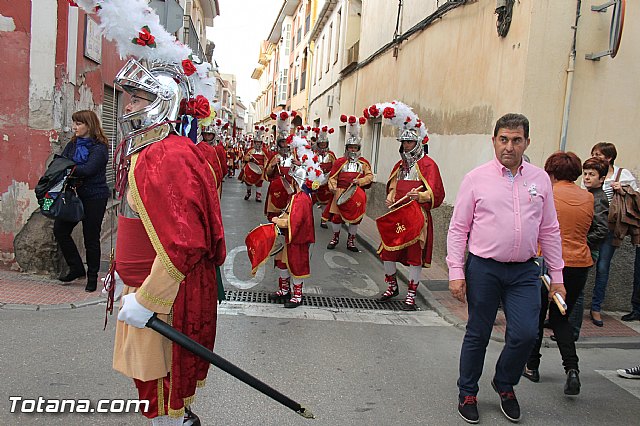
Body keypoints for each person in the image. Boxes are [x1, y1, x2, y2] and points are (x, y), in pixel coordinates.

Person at [112, 56, 225, 425]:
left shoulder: (166, 155)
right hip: (143, 281)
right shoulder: (152, 150)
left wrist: (147, 298)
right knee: (149, 382)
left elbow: (184, 242)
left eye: (138, 98)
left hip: (165, 291)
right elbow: (141, 223)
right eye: (130, 97)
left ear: (163, 101)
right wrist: (120, 275)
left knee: (160, 388)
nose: (128, 105)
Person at [447, 113, 566, 424]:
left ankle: (504, 382)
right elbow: (458, 229)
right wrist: (456, 273)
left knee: (526, 334)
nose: (509, 146)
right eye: (503, 139)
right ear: (494, 141)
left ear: (527, 142)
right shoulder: (476, 179)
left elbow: (550, 229)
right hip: (484, 268)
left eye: (516, 140)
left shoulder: (540, 179)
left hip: (525, 271)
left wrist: (558, 277)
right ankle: (467, 391)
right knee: (478, 332)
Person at [523, 152, 593, 396]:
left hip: (549, 263)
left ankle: (532, 365)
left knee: (537, 314)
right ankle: (571, 369)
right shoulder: (587, 197)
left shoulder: (549, 194)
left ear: (551, 172)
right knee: (561, 317)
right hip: (580, 263)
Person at [368, 101, 445, 311]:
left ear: (417, 143)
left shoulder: (429, 165)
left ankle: (411, 294)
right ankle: (392, 286)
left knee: (414, 257)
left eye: (409, 143)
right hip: (398, 215)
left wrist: (421, 196)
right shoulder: (399, 165)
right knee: (387, 252)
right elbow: (393, 185)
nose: (405, 146)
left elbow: (437, 194)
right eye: (403, 143)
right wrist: (391, 196)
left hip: (417, 217)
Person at [54, 110, 110, 292]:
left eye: (78, 124)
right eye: (74, 123)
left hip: (95, 196)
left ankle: (92, 276)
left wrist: (68, 168)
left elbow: (88, 170)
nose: (74, 127)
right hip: (73, 195)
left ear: (89, 125)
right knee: (60, 230)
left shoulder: (99, 147)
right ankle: (76, 267)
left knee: (90, 237)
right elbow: (61, 162)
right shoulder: (72, 144)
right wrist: (65, 167)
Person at [269, 135, 322, 308]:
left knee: (297, 266)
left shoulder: (301, 198)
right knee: (282, 262)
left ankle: (297, 295)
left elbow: (295, 221)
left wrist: (279, 220)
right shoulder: (298, 196)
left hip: (297, 239)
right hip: (289, 238)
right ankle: (284, 290)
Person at [589, 142, 638, 326]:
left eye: (598, 154)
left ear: (609, 157)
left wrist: (623, 189)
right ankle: (574, 306)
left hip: (610, 229)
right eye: (593, 153)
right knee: (582, 266)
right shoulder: (590, 172)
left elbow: (636, 198)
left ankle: (596, 307)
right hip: (592, 226)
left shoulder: (622, 174)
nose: (595, 156)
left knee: (603, 267)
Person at [564, 157, 609, 340]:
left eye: (592, 174)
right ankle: (563, 324)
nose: (587, 177)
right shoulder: (589, 194)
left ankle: (572, 330)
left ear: (602, 178)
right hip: (583, 247)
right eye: (585, 174)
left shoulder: (598, 198)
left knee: (578, 292)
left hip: (588, 249)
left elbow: (602, 229)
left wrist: (582, 240)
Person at [323, 115, 374, 252]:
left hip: (356, 194)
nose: (352, 150)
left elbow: (370, 176)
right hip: (340, 193)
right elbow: (332, 177)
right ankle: (335, 237)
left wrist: (360, 181)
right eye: (350, 147)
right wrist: (333, 188)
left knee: (355, 220)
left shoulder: (363, 163)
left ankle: (351, 241)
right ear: (347, 148)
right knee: (336, 218)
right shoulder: (340, 162)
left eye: (355, 147)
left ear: (358, 148)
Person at [264, 111, 297, 221]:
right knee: (274, 215)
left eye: (286, 142)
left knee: (290, 213)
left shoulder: (295, 156)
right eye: (282, 142)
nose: (285, 145)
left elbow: (301, 175)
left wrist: (299, 165)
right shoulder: (275, 156)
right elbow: (267, 173)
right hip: (276, 188)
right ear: (279, 143)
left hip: (290, 188)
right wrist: (272, 165)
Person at [312, 126, 337, 229]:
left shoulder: (331, 155)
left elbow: (336, 166)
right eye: (321, 144)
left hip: (326, 181)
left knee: (325, 202)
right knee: (310, 200)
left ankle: (323, 219)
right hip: (316, 180)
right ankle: (306, 219)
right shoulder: (314, 154)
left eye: (324, 144)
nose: (322, 146)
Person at [240, 126, 268, 202]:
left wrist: (264, 167)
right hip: (252, 169)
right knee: (248, 182)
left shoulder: (264, 151)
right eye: (257, 142)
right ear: (254, 143)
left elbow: (267, 160)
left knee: (259, 183)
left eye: (259, 143)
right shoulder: (250, 150)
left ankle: (258, 196)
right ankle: (248, 193)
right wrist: (249, 158)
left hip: (260, 169)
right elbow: (245, 158)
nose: (258, 144)